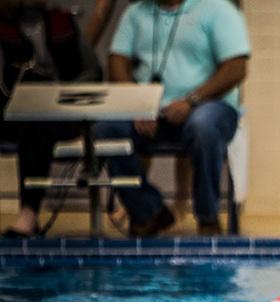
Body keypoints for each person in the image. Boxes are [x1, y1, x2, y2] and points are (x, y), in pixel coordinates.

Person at [94, 0, 249, 237]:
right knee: (106, 129)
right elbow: (117, 61)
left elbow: (237, 67)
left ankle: (207, 217)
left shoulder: (217, 9)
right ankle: (149, 212)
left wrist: (191, 101)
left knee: (203, 126)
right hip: (150, 112)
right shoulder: (136, 13)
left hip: (208, 106)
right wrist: (138, 103)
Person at [0, 0, 100, 239]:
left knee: (35, 122)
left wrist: (63, 95)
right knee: (29, 116)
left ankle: (28, 213)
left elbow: (92, 73)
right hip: (11, 110)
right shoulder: (4, 27)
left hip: (57, 114)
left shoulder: (63, 22)